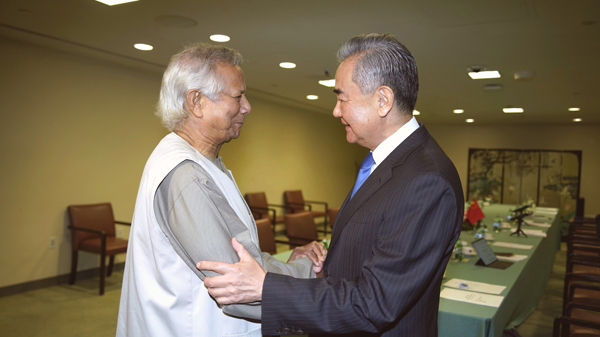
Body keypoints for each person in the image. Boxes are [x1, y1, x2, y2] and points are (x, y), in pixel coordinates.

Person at [197, 33, 464, 336]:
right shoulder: (388, 164)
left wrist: (265, 286)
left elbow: (373, 304)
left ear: (382, 100)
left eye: (342, 97)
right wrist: (324, 262)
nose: (336, 110)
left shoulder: (426, 181)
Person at [116, 43, 326, 337]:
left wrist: (288, 262)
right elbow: (237, 283)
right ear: (197, 102)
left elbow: (241, 253)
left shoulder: (204, 165)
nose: (247, 106)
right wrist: (310, 270)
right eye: (238, 96)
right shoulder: (184, 174)